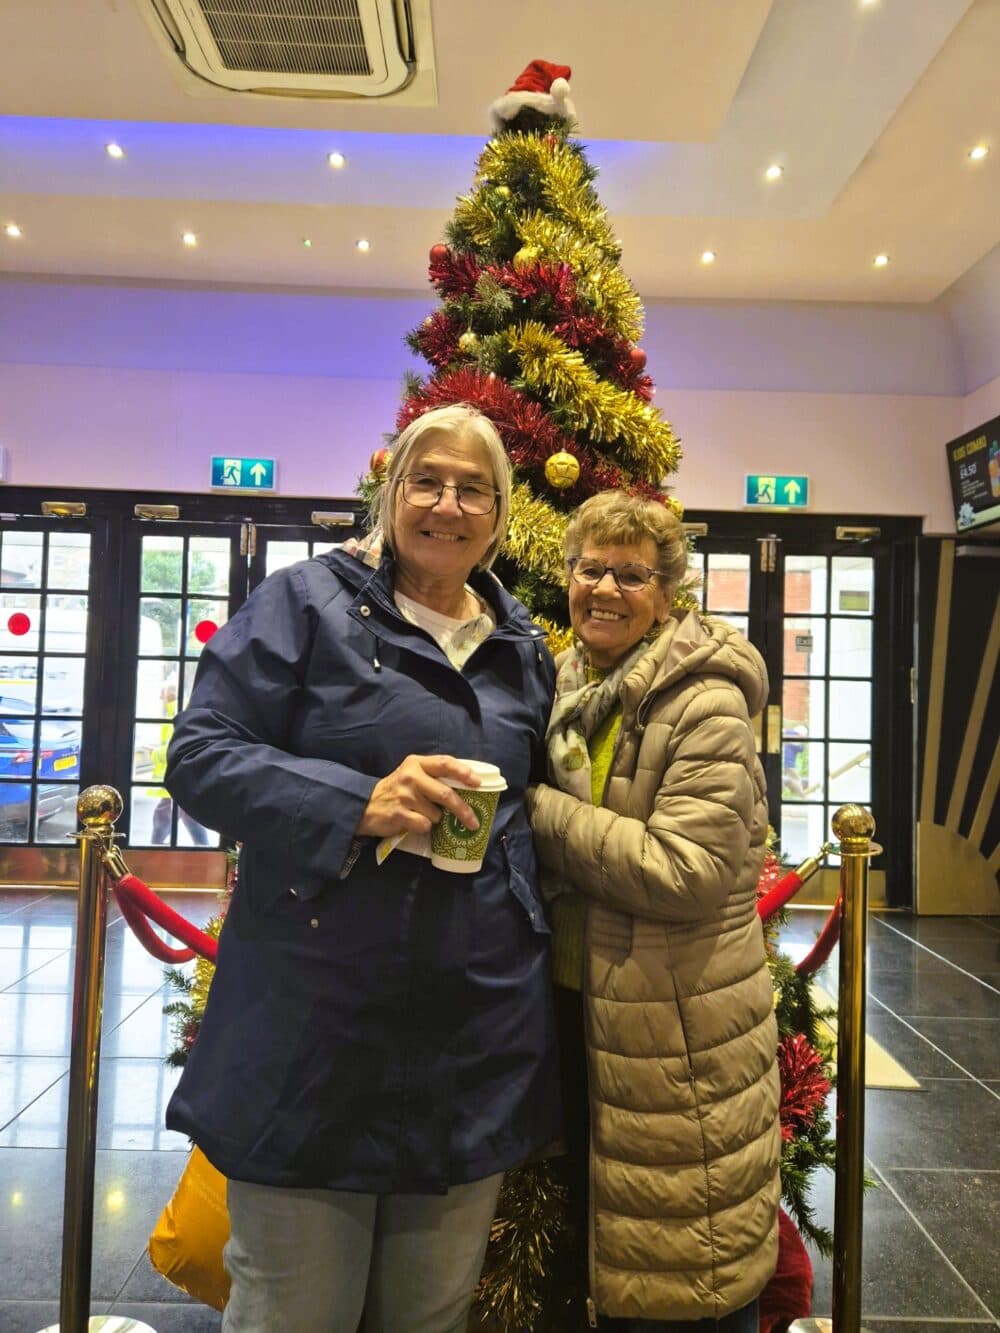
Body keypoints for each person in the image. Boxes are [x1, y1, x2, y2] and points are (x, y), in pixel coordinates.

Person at [163, 403, 559, 1333]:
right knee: (294, 1312)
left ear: (500, 514)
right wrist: (355, 802)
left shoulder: (525, 649)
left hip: (473, 1046)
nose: (448, 505)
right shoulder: (307, 604)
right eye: (429, 480)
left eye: (474, 488)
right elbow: (200, 754)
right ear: (393, 494)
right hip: (310, 1040)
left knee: (428, 1317)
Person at [528, 491, 781, 1331]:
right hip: (580, 1008)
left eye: (631, 574)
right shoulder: (567, 680)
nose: (604, 588)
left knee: (682, 1266)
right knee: (605, 1244)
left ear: (670, 591)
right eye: (589, 568)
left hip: (678, 1032)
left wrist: (534, 812)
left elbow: (690, 869)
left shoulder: (703, 699)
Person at [149, 681, 211, 846]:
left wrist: (154, 754)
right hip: (177, 777)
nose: (159, 696)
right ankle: (202, 846)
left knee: (169, 816)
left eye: (162, 693)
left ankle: (153, 847)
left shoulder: (173, 712)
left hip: (176, 776)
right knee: (180, 815)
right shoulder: (173, 710)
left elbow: (173, 747)